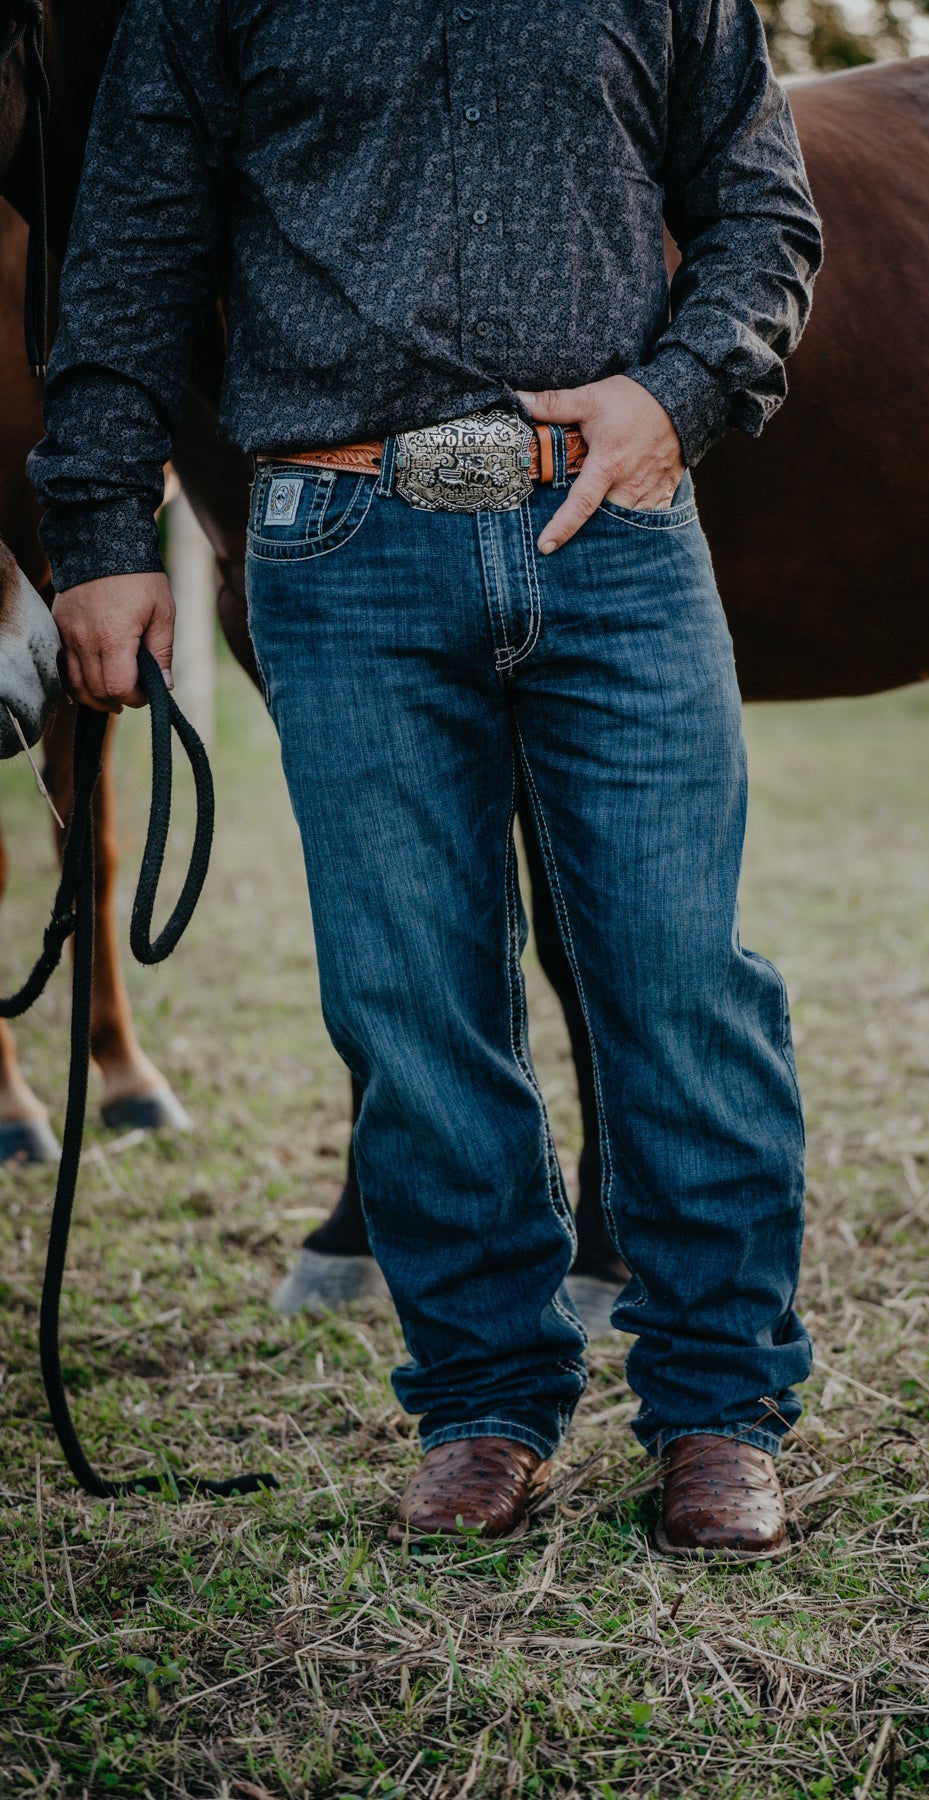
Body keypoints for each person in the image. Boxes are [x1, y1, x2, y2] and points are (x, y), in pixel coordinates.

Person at [31, 0, 822, 1559]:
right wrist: (104, 537)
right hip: (341, 543)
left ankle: (720, 1406)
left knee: (682, 975)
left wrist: (682, 391)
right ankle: (482, 1404)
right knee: (409, 997)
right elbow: (127, 247)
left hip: (613, 534)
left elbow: (761, 208)